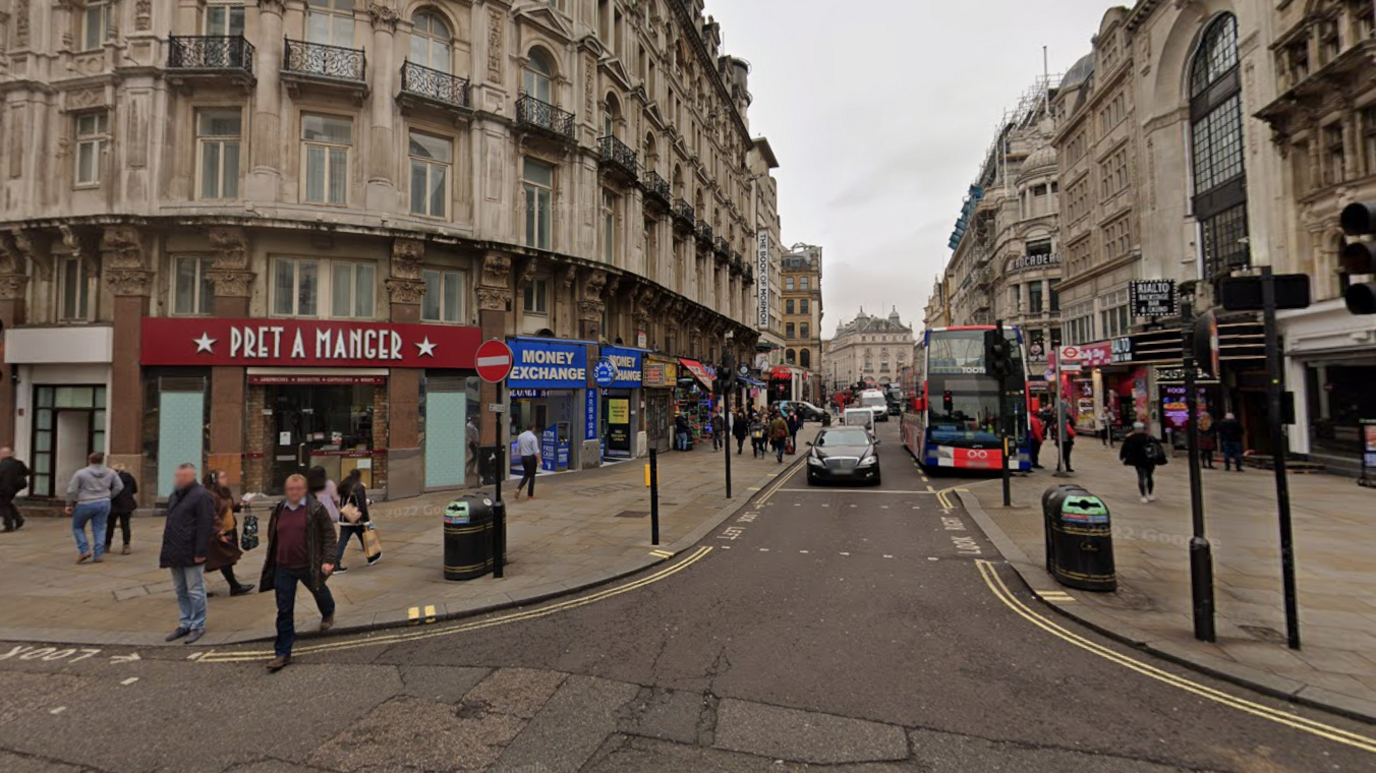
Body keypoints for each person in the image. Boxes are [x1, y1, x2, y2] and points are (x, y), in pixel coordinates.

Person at [258, 473, 337, 671]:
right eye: (291, 489)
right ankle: (282, 653)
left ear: (304, 490)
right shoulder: (279, 509)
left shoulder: (315, 509)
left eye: (298, 489)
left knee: (319, 590)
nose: (294, 492)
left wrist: (328, 560)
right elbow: (274, 536)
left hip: (308, 564)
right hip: (283, 567)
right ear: (286, 491)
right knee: (284, 610)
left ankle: (328, 611)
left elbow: (329, 534)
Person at [159, 463, 214, 644]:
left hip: (192, 551)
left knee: (195, 590)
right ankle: (185, 623)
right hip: (175, 550)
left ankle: (198, 625)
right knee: (181, 590)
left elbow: (206, 525)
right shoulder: (175, 495)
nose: (179, 479)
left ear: (192, 476)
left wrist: (201, 551)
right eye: (177, 475)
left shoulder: (202, 495)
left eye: (183, 476)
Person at [65, 452, 123, 564]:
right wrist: (109, 496)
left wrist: (69, 504)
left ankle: (84, 550)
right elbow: (119, 486)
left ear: (89, 460)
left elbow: (72, 490)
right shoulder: (111, 472)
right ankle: (98, 554)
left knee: (78, 527)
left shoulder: (81, 473)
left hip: (85, 502)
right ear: (102, 460)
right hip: (104, 502)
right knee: (99, 528)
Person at [203, 470, 254, 597]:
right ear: (215, 480)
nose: (226, 479)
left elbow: (228, 507)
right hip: (218, 532)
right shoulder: (210, 495)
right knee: (222, 558)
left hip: (229, 529)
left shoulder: (223, 493)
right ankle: (234, 586)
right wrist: (218, 530)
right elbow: (210, 514)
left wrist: (241, 504)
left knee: (225, 558)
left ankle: (234, 586)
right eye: (223, 477)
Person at [335, 468, 377, 569]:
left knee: (342, 542)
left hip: (345, 519)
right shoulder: (359, 486)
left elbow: (349, 500)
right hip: (356, 520)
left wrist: (368, 501)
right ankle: (371, 557)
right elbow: (361, 504)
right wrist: (366, 520)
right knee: (365, 539)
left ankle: (335, 564)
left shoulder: (344, 485)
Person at [1120, 422, 1167, 503]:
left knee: (1141, 477)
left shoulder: (1130, 438)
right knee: (1149, 476)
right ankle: (1150, 494)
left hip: (1138, 460)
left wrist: (1123, 457)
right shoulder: (1150, 437)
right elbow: (1158, 447)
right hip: (1150, 459)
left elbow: (1124, 449)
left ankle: (1143, 496)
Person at [104, 463, 138, 555]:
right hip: (127, 504)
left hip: (113, 504)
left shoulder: (111, 478)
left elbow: (107, 489)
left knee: (110, 526)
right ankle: (126, 546)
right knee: (125, 526)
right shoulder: (130, 478)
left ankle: (107, 545)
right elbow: (135, 490)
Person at [0, 446, 29, 532]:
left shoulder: (3, 464)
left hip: (4, 488)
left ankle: (9, 525)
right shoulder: (18, 463)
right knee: (7, 504)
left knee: (3, 506)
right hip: (15, 488)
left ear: (4, 454)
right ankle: (18, 520)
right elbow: (27, 472)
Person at [516, 423, 541, 501]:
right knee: (532, 476)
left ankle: (518, 488)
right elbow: (536, 450)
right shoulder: (533, 437)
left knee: (526, 474)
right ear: (533, 428)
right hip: (531, 458)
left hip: (523, 457)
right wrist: (540, 460)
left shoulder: (520, 436)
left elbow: (518, 448)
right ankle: (530, 495)